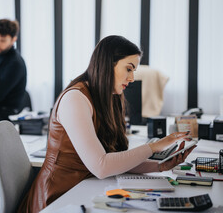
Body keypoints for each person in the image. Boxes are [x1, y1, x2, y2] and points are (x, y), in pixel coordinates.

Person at [18, 35, 195, 212]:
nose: (132, 78)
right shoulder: (75, 98)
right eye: (128, 69)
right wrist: (154, 147)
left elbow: (115, 159)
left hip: (83, 190)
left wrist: (159, 166)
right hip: (57, 198)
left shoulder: (110, 98)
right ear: (108, 64)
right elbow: (101, 166)